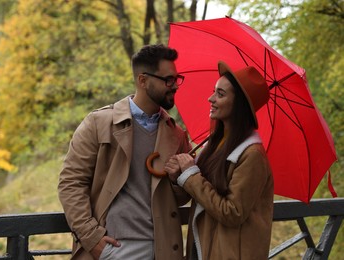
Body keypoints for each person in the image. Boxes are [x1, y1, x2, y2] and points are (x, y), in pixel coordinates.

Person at [58, 44, 191, 260]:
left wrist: (179, 178)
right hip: (115, 248)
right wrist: (92, 238)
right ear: (143, 80)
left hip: (164, 249)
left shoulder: (176, 135)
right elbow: (71, 183)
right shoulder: (98, 123)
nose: (174, 85)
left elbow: (179, 198)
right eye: (168, 79)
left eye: (176, 79)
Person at [165, 61, 274, 260]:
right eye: (213, 91)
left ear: (239, 104)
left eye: (220, 94)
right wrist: (177, 177)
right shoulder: (214, 145)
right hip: (202, 247)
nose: (210, 98)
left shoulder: (252, 155)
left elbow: (233, 213)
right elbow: (198, 194)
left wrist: (190, 175)